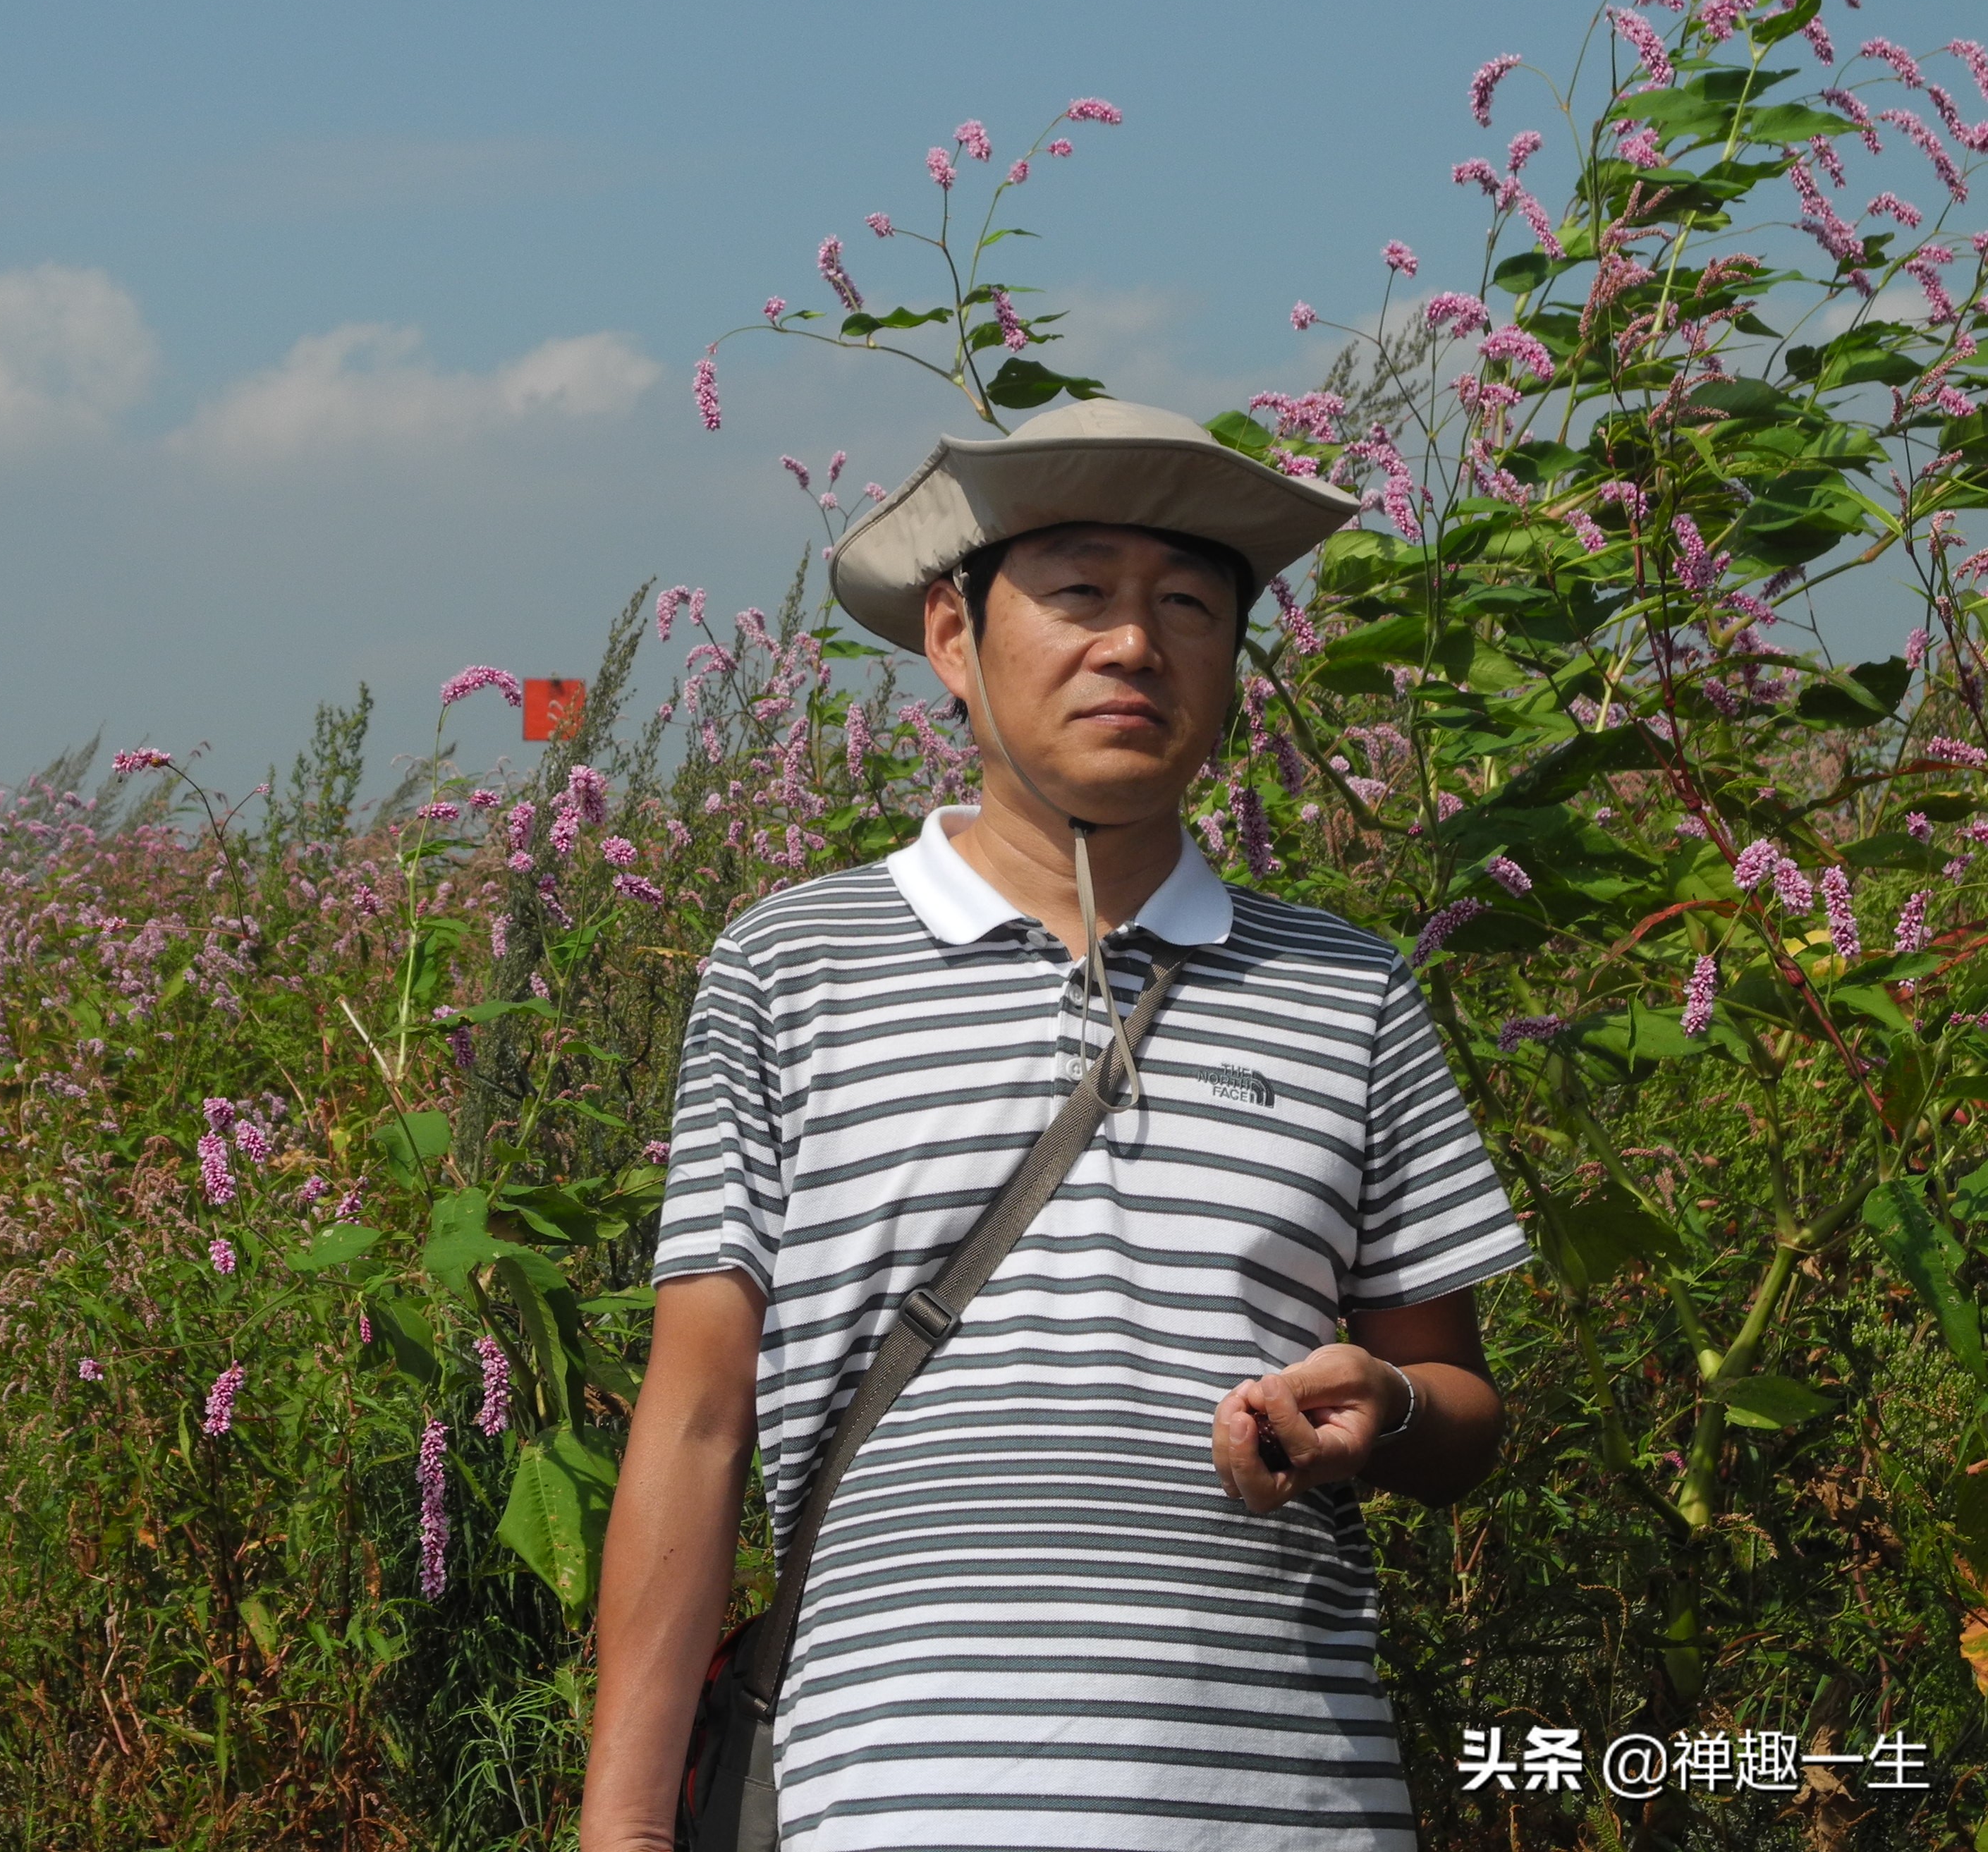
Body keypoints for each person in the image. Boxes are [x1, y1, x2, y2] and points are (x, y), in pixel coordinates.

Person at [579, 398, 1536, 1852]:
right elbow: (699, 1420)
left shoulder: (1351, 990)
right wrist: (626, 1830)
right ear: (955, 641)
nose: (1136, 645)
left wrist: (1381, 1413)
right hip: (886, 1807)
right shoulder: (788, 968)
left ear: (1231, 665)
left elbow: (1456, 1411)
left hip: (1285, 1810)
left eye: (1189, 607)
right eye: (1079, 593)